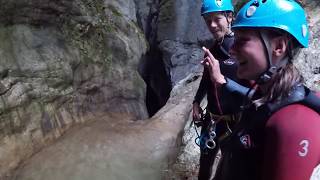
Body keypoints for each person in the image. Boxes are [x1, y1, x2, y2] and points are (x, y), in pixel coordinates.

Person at [201, 0, 320, 179]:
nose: (232, 50)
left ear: (278, 47)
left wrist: (223, 81)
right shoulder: (263, 97)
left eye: (243, 40)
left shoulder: (293, 123)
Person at [193, 0, 248, 179]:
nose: (212, 25)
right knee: (204, 166)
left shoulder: (243, 50)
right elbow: (205, 80)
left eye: (217, 19)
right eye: (208, 21)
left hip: (234, 123)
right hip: (211, 120)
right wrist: (195, 102)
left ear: (230, 17)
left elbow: (253, 92)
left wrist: (223, 81)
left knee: (228, 171)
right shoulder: (212, 50)